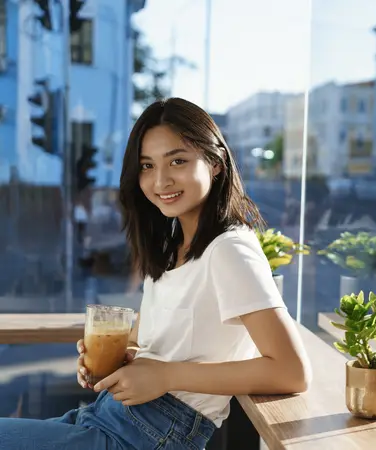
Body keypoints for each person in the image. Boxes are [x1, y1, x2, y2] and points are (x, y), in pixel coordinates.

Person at [0, 98, 312, 449]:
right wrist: (120, 358)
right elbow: (159, 344)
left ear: (216, 164)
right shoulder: (172, 246)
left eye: (177, 160)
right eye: (147, 166)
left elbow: (291, 371)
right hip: (109, 416)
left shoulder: (230, 250)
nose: (160, 180)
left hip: (151, 435)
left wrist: (164, 376)